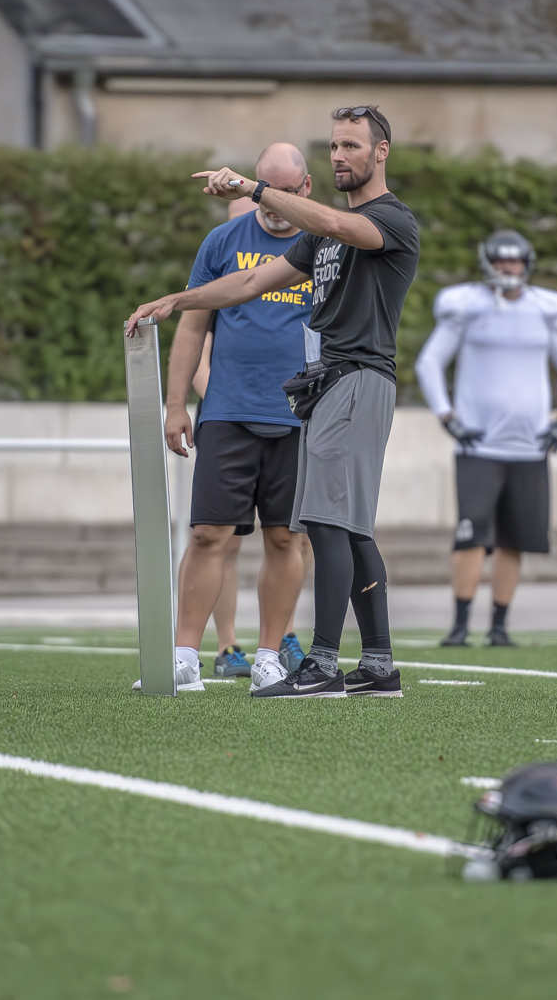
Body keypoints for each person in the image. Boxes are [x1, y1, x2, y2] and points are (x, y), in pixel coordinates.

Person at [128, 106, 418, 699]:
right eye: (334, 145)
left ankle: (323, 663)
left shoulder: (390, 218)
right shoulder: (319, 232)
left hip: (356, 376)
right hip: (327, 384)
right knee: (352, 527)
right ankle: (379, 664)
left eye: (353, 146)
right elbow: (250, 283)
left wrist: (252, 187)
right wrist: (178, 300)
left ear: (382, 151)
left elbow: (342, 229)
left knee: (324, 524)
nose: (341, 155)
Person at [155, 143, 316, 696]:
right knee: (207, 535)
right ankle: (184, 657)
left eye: (285, 192)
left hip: (299, 417)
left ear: (306, 189)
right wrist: (176, 403)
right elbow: (194, 325)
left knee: (285, 539)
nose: (272, 203)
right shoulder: (223, 240)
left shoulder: (323, 243)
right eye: (263, 188)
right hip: (227, 409)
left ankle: (270, 655)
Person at [415, 229, 557, 647]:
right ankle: (459, 625)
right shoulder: (469, 307)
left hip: (530, 448)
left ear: (527, 264)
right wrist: (448, 417)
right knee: (471, 535)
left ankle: (499, 626)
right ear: (488, 262)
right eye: (502, 261)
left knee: (516, 539)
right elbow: (429, 363)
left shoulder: (546, 311)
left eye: (515, 261)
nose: (509, 269)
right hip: (479, 446)